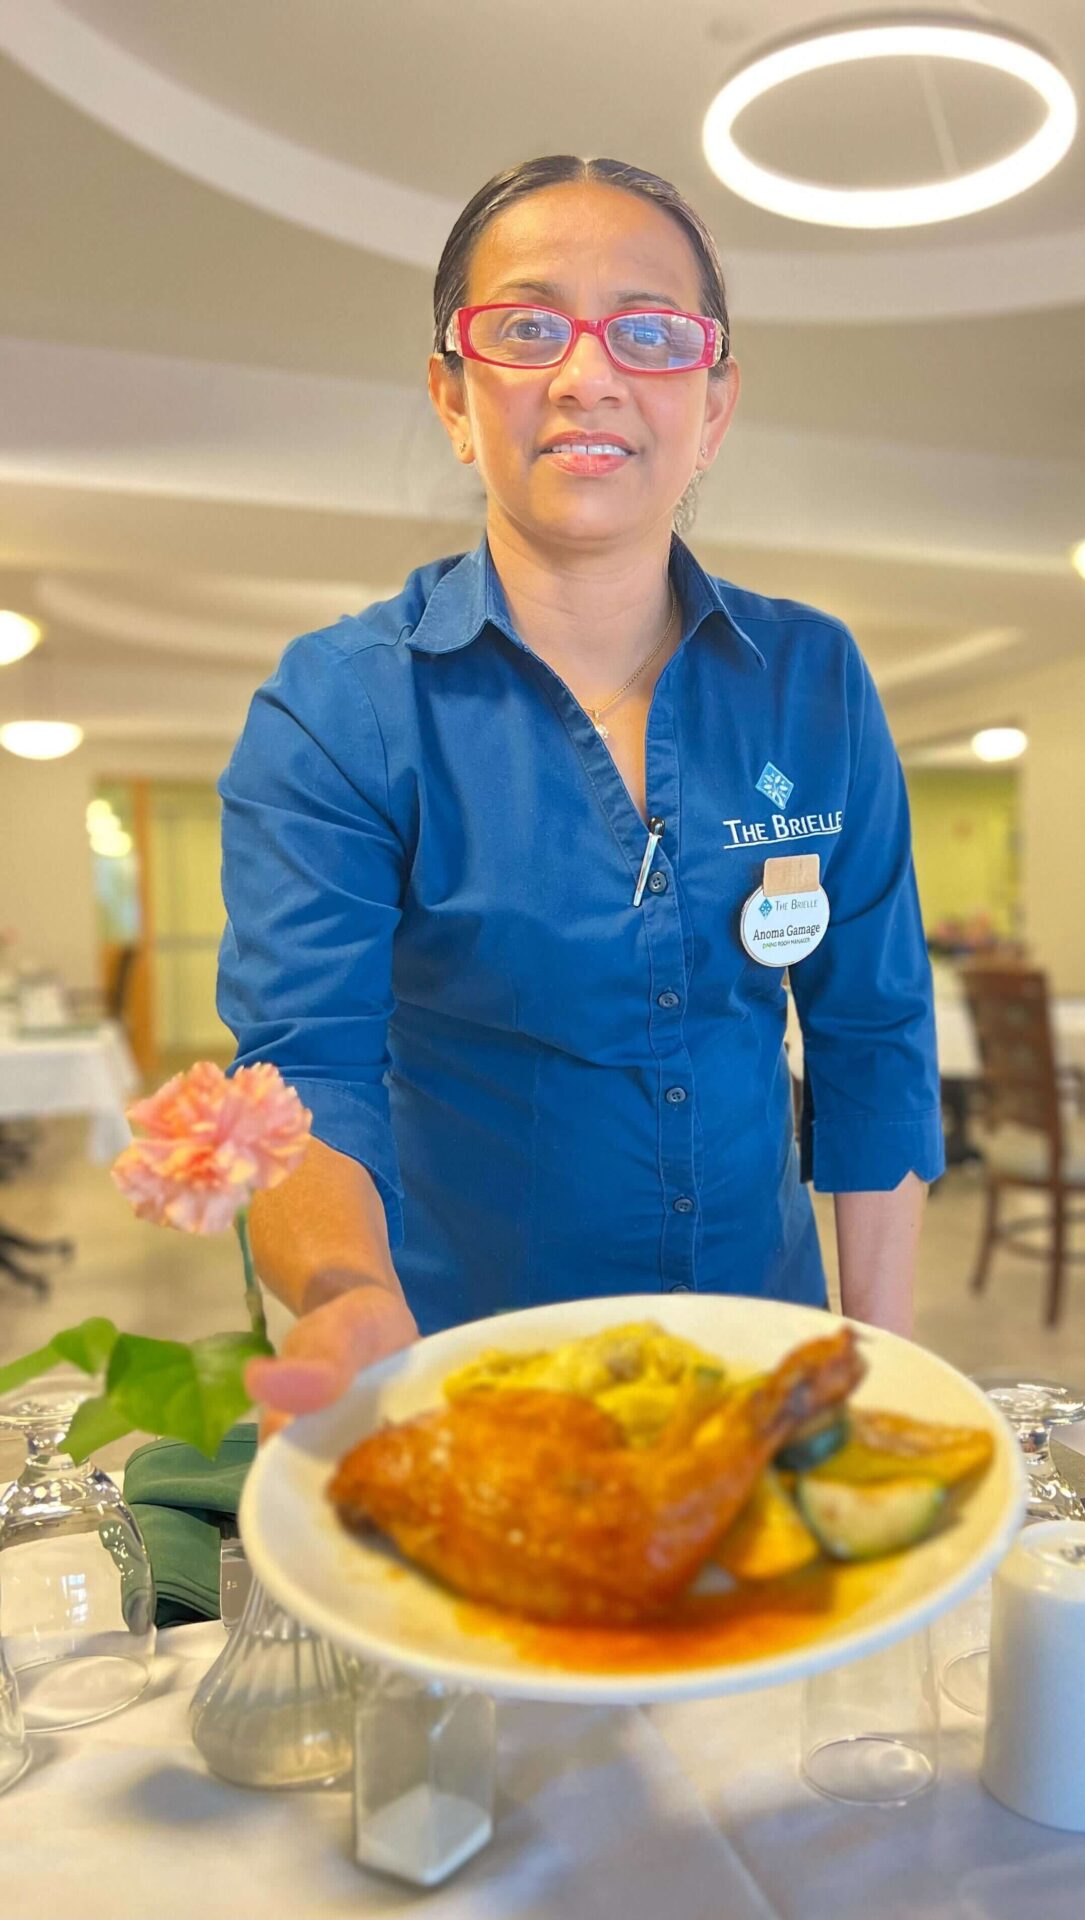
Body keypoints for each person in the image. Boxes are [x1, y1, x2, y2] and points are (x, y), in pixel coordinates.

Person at [217, 155, 944, 1433]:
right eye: (527, 326)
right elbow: (304, 1066)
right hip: (469, 1374)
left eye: (651, 331)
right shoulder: (340, 710)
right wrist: (342, 1295)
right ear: (451, 394)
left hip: (761, 1366)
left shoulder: (813, 680)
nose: (588, 373)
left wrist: (875, 1366)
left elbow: (871, 1037)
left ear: (713, 406)